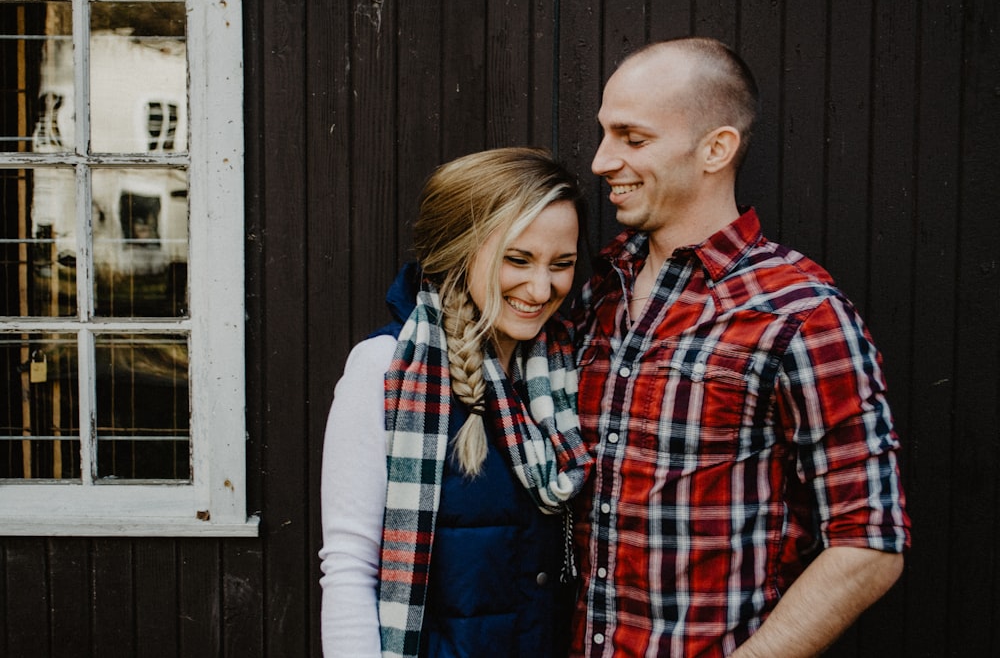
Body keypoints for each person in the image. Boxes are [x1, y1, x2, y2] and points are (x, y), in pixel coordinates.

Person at [570, 37, 911, 657]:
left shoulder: (799, 310)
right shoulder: (588, 290)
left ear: (716, 148)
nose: (600, 161)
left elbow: (869, 541)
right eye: (604, 133)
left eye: (632, 138)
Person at [319, 147, 593, 657]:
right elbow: (351, 568)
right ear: (457, 249)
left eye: (563, 264)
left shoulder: (565, 374)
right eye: (518, 259)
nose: (541, 287)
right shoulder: (384, 368)